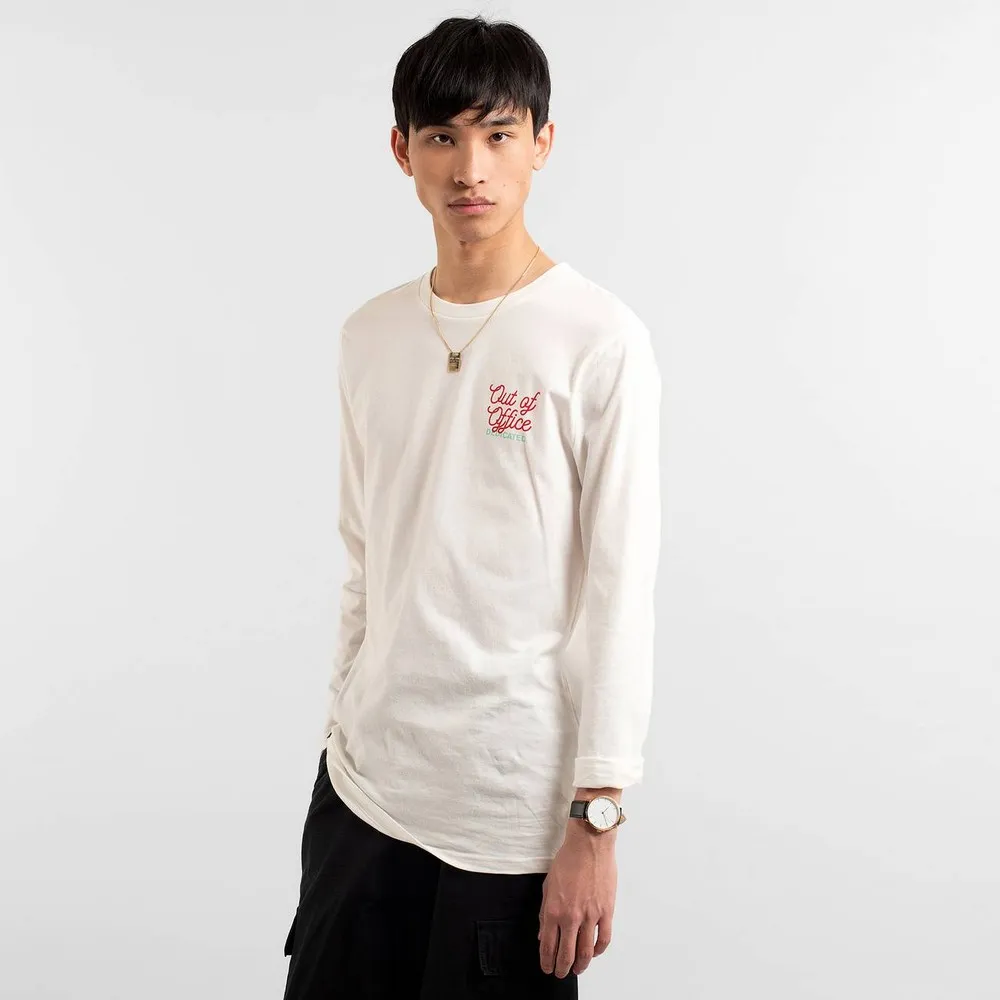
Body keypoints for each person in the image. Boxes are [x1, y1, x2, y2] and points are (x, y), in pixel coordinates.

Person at [281, 13, 661, 999]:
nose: (470, 169)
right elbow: (366, 556)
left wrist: (596, 817)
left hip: (509, 813)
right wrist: (337, 731)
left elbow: (620, 590)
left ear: (543, 141)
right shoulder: (370, 335)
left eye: (498, 134)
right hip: (362, 794)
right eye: (443, 136)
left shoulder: (598, 339)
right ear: (401, 149)